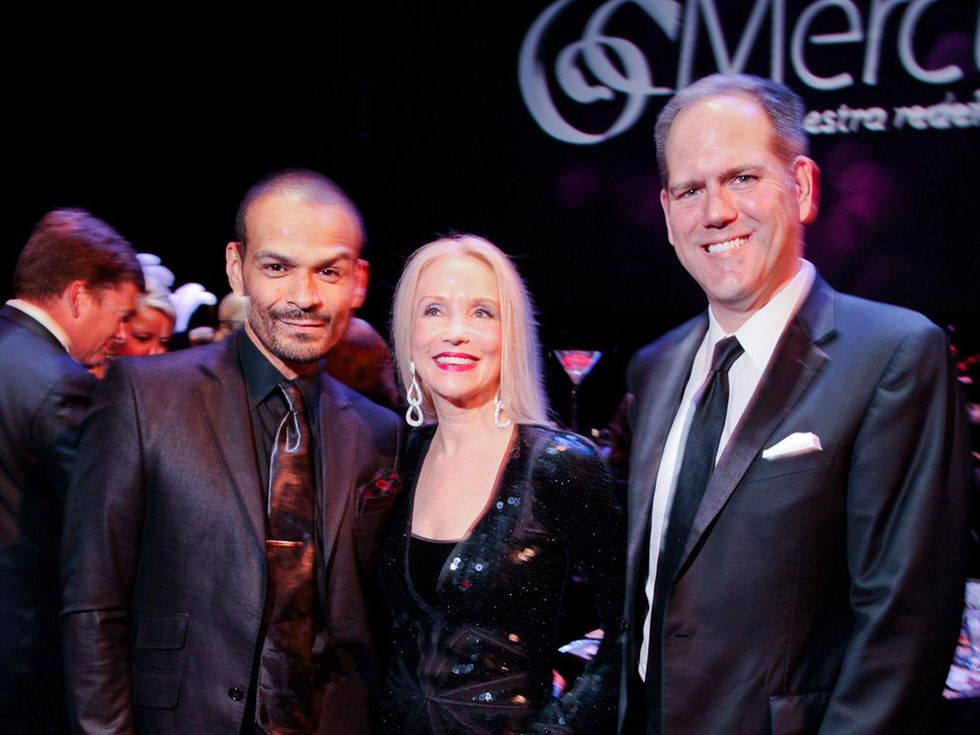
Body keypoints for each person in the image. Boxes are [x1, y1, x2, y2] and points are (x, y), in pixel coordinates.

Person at [622, 73, 971, 734]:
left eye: (743, 178)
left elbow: (902, 624)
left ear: (803, 188)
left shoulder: (894, 352)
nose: (716, 211)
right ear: (668, 214)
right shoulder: (657, 365)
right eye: (691, 190)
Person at [62, 170, 402, 734]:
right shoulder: (143, 396)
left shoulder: (378, 432)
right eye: (277, 267)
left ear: (359, 282)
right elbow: (93, 607)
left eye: (329, 271)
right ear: (235, 267)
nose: (304, 296)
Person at [380, 235, 624, 734]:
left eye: (481, 313)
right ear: (409, 332)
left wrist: (558, 729)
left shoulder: (557, 465)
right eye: (433, 310)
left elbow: (632, 630)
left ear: (510, 335)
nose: (455, 332)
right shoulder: (394, 458)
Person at [0, 208, 141, 734]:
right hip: (21, 646)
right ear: (80, 296)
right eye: (121, 315)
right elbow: (99, 521)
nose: (123, 335)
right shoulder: (60, 382)